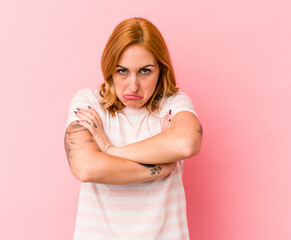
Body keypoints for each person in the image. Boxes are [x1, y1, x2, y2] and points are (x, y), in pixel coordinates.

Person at [64, 17, 202, 240]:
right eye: (122, 71)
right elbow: (86, 168)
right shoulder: (89, 104)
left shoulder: (173, 104)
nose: (133, 85)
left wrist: (110, 150)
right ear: (109, 69)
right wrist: (159, 168)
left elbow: (186, 143)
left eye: (145, 71)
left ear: (160, 70)